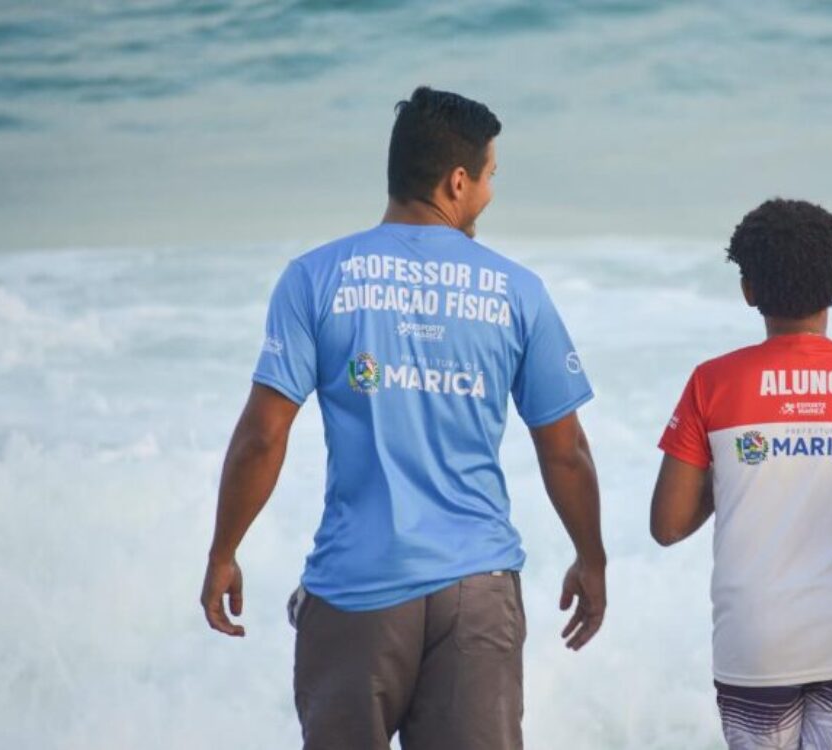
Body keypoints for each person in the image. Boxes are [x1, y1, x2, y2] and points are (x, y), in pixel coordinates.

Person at [199, 86, 606, 750]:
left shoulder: (315, 278)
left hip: (357, 589)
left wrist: (223, 551)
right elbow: (566, 452)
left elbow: (261, 434)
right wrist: (593, 560)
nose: (489, 194)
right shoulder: (517, 291)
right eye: (489, 177)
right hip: (477, 591)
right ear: (456, 181)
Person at [650, 199, 832, 750]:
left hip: (756, 642)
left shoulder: (711, 384)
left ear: (749, 291)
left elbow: (668, 525)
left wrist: (741, 464)